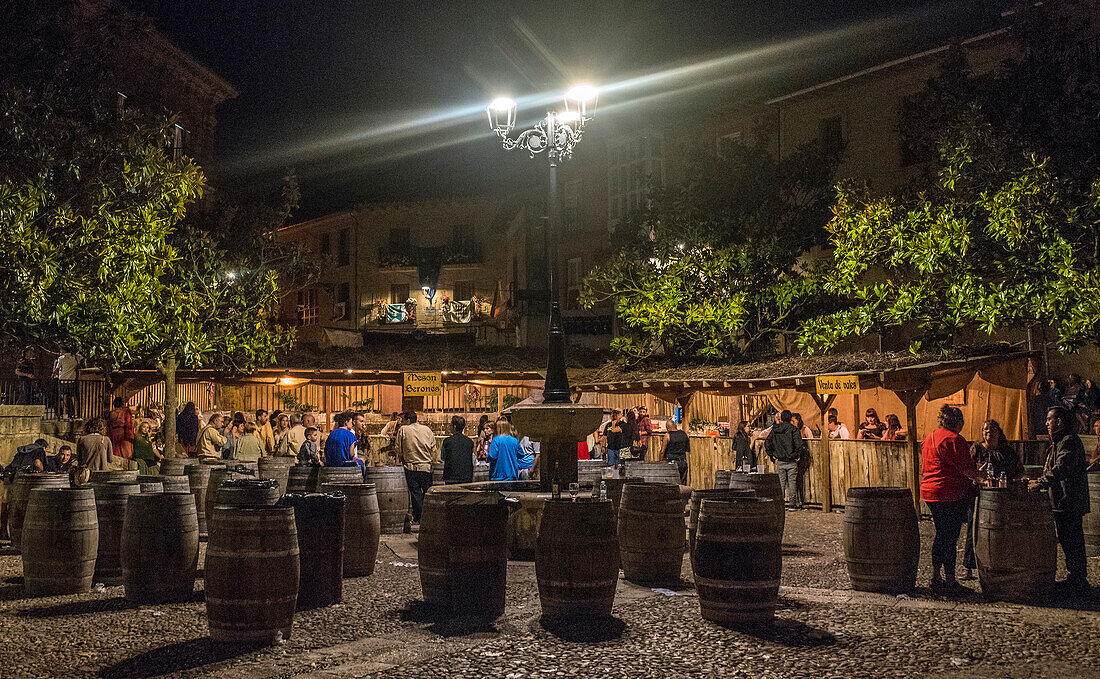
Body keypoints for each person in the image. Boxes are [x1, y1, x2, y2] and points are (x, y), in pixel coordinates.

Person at [1030, 406, 1091, 595]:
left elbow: (1061, 468)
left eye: (1049, 420)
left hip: (1069, 501)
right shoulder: (1059, 441)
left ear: (1059, 422)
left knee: (1072, 542)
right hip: (1063, 501)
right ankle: (1075, 579)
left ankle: (1079, 582)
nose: (1046, 423)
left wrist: (1041, 483)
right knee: (1068, 541)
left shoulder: (1069, 441)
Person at [921, 405, 979, 595]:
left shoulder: (929, 437)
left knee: (940, 534)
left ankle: (936, 576)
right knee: (950, 537)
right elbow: (968, 470)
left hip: (930, 492)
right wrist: (980, 474)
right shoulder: (955, 440)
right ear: (959, 423)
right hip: (950, 493)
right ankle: (951, 580)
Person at [961, 419, 1022, 579]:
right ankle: (968, 566)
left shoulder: (1007, 452)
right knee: (973, 529)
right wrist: (977, 477)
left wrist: (1012, 482)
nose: (988, 432)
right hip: (979, 495)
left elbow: (1018, 470)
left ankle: (999, 564)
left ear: (999, 432)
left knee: (1002, 530)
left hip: (1003, 497)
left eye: (992, 429)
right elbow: (968, 470)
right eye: (985, 430)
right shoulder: (977, 449)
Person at [395, 411, 435, 525]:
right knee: (427, 493)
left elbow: (398, 448)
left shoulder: (403, 430)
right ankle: (428, 517)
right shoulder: (427, 429)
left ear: (408, 420)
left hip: (411, 467)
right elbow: (433, 447)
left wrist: (403, 457)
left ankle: (419, 518)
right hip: (426, 467)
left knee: (415, 494)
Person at [765, 410, 807, 509]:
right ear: (789, 418)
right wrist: (797, 455)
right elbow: (799, 444)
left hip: (780, 460)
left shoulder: (775, 429)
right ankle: (792, 504)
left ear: (782, 418)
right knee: (792, 482)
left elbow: (767, 442)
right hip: (791, 460)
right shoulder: (794, 429)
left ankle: (780, 503)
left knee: (781, 482)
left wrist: (771, 454)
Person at [487, 417, 526, 482]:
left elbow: (492, 456)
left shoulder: (496, 440)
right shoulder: (514, 440)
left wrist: (487, 456)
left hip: (498, 476)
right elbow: (521, 455)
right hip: (512, 475)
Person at [441, 415, 475, 484]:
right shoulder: (469, 442)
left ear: (454, 426)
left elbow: (443, 457)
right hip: (466, 477)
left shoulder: (447, 441)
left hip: (451, 477)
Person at [51, 347, 80, 419]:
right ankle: (76, 413)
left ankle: (64, 414)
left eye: (61, 351)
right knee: (73, 397)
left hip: (63, 380)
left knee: (63, 397)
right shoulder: (76, 358)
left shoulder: (61, 358)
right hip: (72, 380)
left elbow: (57, 369)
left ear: (64, 351)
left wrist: (53, 374)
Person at [662, 419, 689, 484]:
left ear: (667, 428)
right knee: (683, 484)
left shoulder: (667, 436)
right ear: (676, 426)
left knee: (673, 484)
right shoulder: (684, 434)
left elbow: (662, 451)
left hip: (672, 462)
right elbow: (687, 449)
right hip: (683, 462)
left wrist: (661, 461)